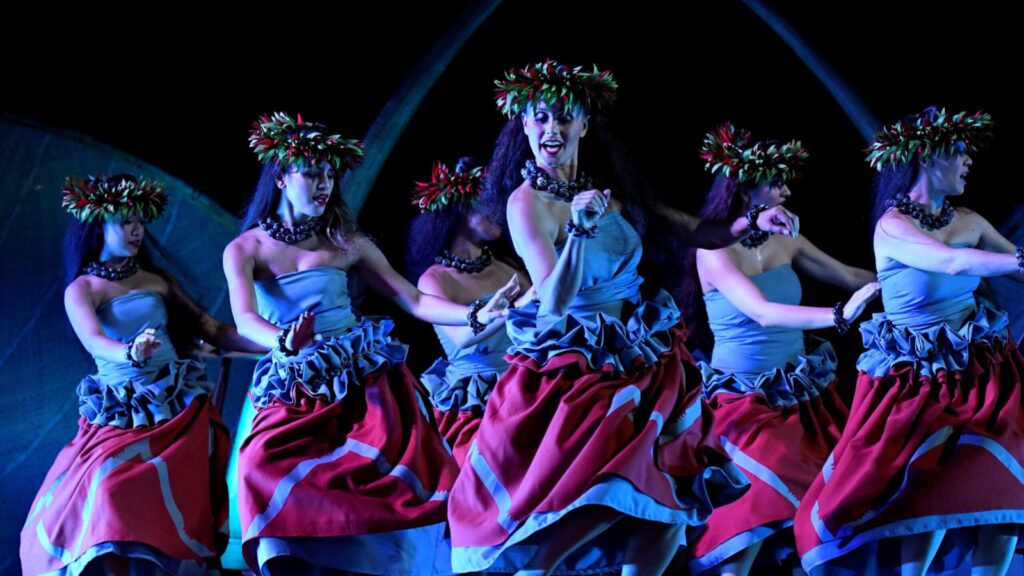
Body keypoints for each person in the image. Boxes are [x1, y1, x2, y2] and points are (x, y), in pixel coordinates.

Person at [447, 60, 801, 576]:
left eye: (566, 118)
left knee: (661, 519)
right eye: (540, 117)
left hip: (642, 357)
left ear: (585, 125)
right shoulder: (527, 204)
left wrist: (753, 221)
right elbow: (552, 297)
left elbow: (698, 231)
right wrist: (580, 231)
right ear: (523, 125)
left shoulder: (607, 189)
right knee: (599, 500)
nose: (553, 129)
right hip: (577, 372)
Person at [223, 112, 518, 575]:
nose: (324, 184)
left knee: (373, 483)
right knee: (261, 464)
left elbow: (415, 299)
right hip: (291, 380)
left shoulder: (346, 242)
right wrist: (283, 340)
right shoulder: (246, 249)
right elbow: (244, 317)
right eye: (312, 173)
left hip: (358, 379)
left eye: (329, 174)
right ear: (280, 175)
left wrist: (478, 313)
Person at [795, 107, 1024, 575]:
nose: (968, 162)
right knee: (922, 496)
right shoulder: (893, 226)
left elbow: (1015, 262)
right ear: (926, 157)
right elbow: (954, 264)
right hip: (914, 382)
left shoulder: (970, 220)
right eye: (959, 152)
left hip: (980, 370)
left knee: (1007, 479)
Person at [22, 173, 260, 575]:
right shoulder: (83, 289)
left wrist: (282, 342)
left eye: (139, 221)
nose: (136, 230)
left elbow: (213, 329)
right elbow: (95, 341)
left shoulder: (156, 281)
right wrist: (131, 351)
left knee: (169, 498)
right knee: (106, 487)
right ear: (97, 224)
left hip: (176, 410)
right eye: (125, 221)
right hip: (121, 410)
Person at [685, 124, 878, 575]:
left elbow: (850, 276)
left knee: (825, 512)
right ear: (746, 188)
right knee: (748, 521)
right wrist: (838, 317)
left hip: (800, 396)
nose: (786, 190)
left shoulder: (786, 238)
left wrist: (912, 279)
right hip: (743, 403)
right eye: (776, 182)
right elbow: (763, 312)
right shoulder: (714, 251)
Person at [406, 157, 532, 466]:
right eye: (490, 204)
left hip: (526, 382)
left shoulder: (508, 268)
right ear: (462, 208)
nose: (500, 212)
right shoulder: (434, 279)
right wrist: (516, 307)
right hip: (477, 400)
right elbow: (462, 337)